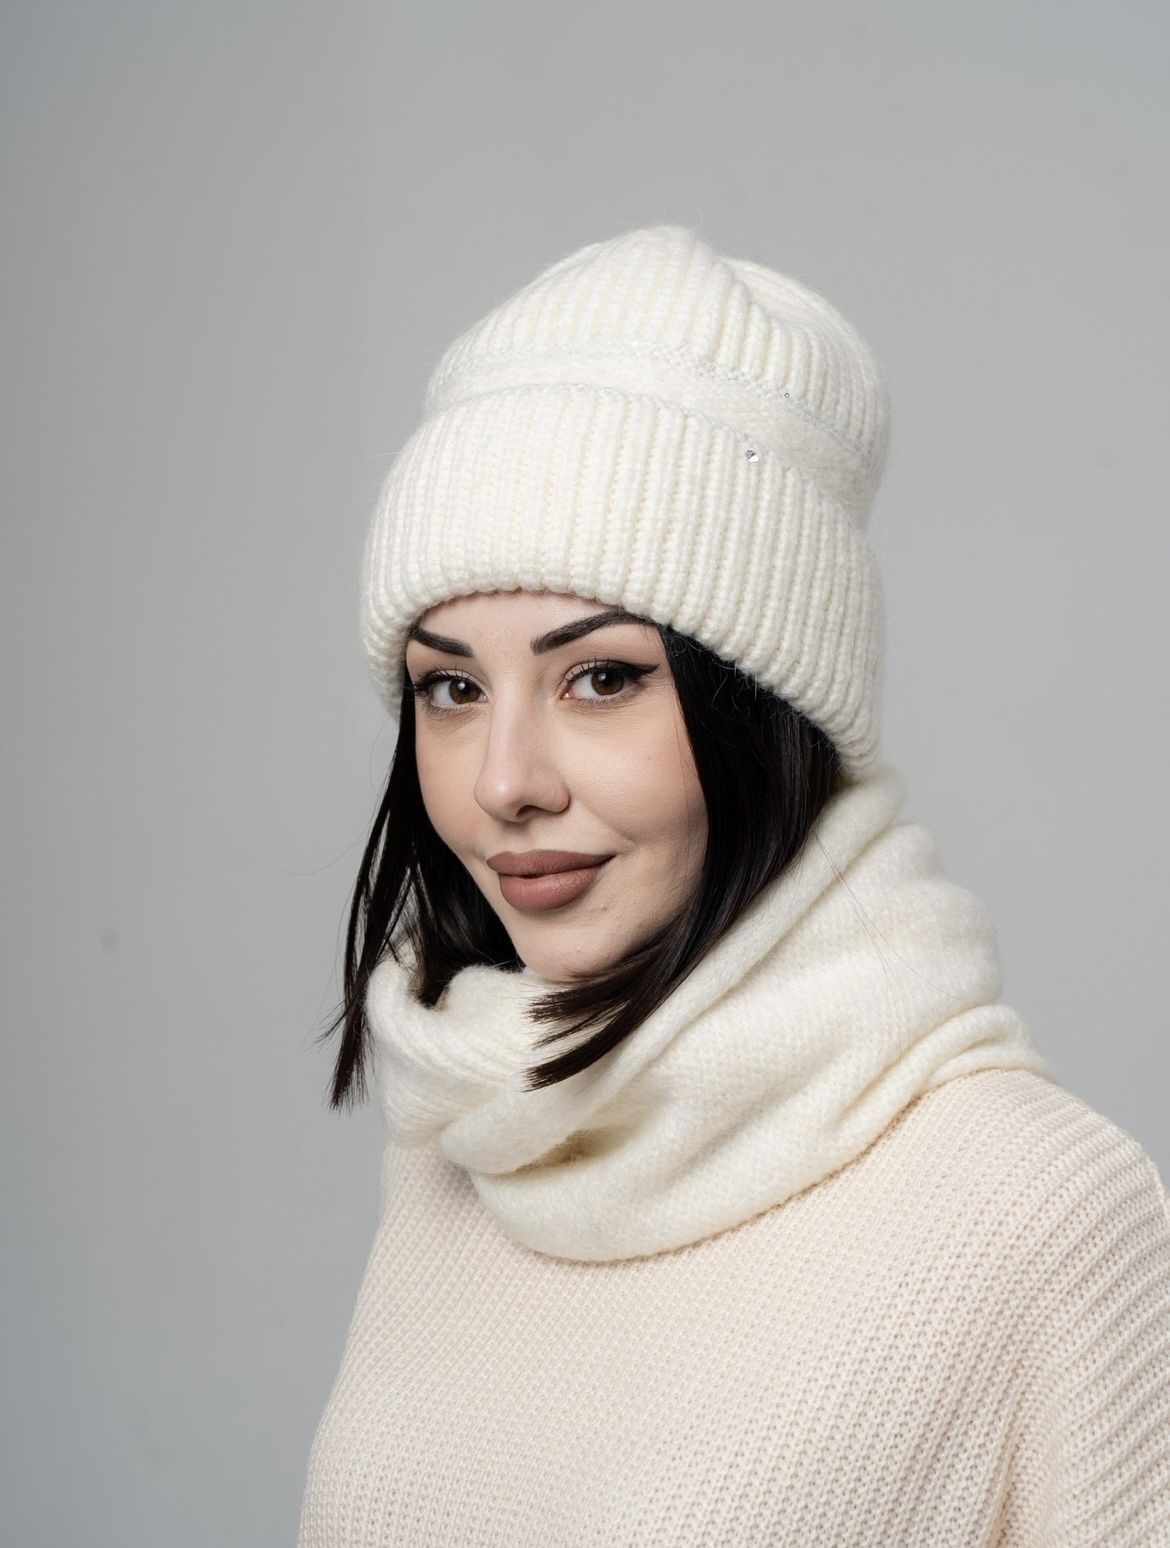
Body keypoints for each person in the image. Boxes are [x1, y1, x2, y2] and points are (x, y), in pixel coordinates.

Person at [296, 224, 1170, 1547]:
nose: (504, 781)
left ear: (764, 710)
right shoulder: (467, 1135)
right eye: (451, 687)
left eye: (601, 677)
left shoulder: (1037, 1209)